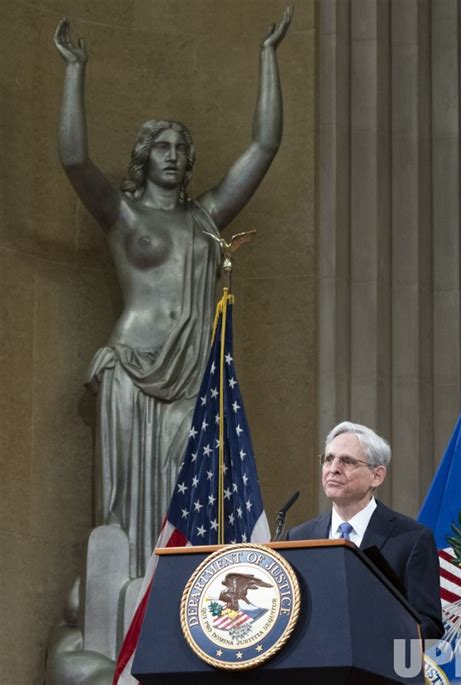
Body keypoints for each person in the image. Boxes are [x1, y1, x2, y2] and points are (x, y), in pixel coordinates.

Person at [53, 8, 293, 578]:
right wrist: (73, 72)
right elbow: (72, 159)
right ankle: (119, 604)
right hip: (130, 369)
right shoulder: (121, 214)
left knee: (187, 490)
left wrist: (267, 60)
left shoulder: (205, 217)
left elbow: (263, 146)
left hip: (191, 375)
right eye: (162, 146)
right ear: (144, 155)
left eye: (181, 149)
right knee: (119, 507)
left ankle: (175, 592)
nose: (173, 155)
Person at [287, 421, 444, 640]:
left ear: (376, 476)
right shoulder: (297, 538)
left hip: (380, 668)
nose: (333, 468)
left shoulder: (412, 540)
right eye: (329, 459)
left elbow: (429, 626)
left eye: (347, 461)